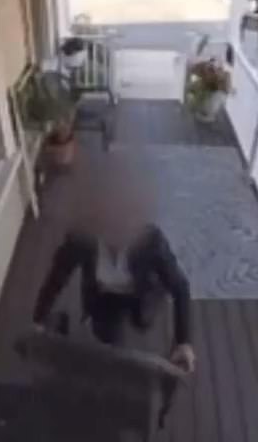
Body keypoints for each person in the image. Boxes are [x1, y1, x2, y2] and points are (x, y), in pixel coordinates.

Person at [31, 159, 196, 373]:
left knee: (143, 322)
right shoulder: (81, 238)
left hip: (141, 293)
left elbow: (180, 286)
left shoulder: (152, 241)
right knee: (108, 342)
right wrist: (38, 320)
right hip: (103, 295)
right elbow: (57, 278)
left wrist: (184, 342)